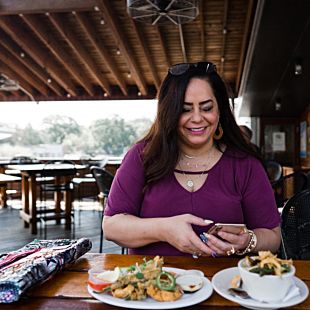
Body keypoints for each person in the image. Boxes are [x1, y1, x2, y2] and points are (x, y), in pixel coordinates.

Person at [103, 61, 281, 258]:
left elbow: (273, 236)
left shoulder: (245, 165)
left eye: (206, 108)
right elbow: (111, 226)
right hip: (150, 284)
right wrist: (164, 229)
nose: (197, 118)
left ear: (220, 109)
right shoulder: (142, 156)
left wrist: (248, 241)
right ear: (169, 112)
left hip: (224, 285)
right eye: (185, 109)